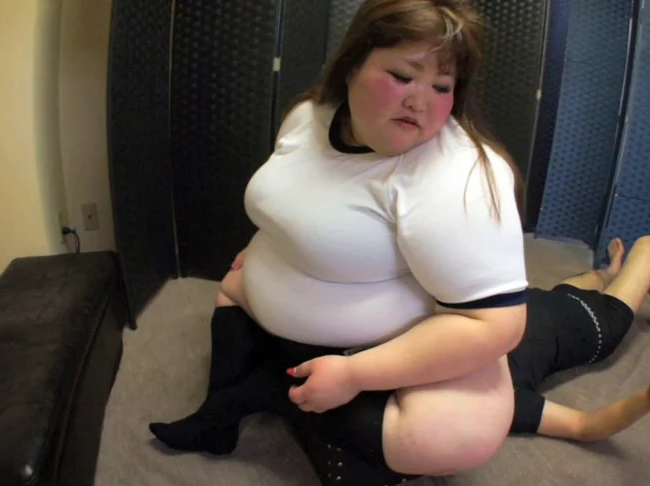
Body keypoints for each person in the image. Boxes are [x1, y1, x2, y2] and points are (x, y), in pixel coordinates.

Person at [150, 0, 529, 478]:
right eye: (403, 76)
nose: (421, 101)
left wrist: (355, 374)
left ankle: (268, 393)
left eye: (442, 86)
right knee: (231, 289)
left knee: (446, 436)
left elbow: (496, 325)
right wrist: (268, 247)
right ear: (352, 65)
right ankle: (218, 418)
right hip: (260, 299)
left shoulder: (460, 175)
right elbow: (297, 197)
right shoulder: (308, 116)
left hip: (375, 346)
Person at [508, 235, 650, 439]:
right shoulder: (503, 399)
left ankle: (611, 272)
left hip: (555, 296)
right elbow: (582, 426)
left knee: (594, 277)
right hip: (594, 321)